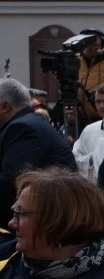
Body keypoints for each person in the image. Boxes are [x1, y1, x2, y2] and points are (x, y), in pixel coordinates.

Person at [0, 79, 76, 226]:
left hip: (47, 221)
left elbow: (11, 184)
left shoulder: (22, 128)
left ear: (4, 107)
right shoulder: (26, 122)